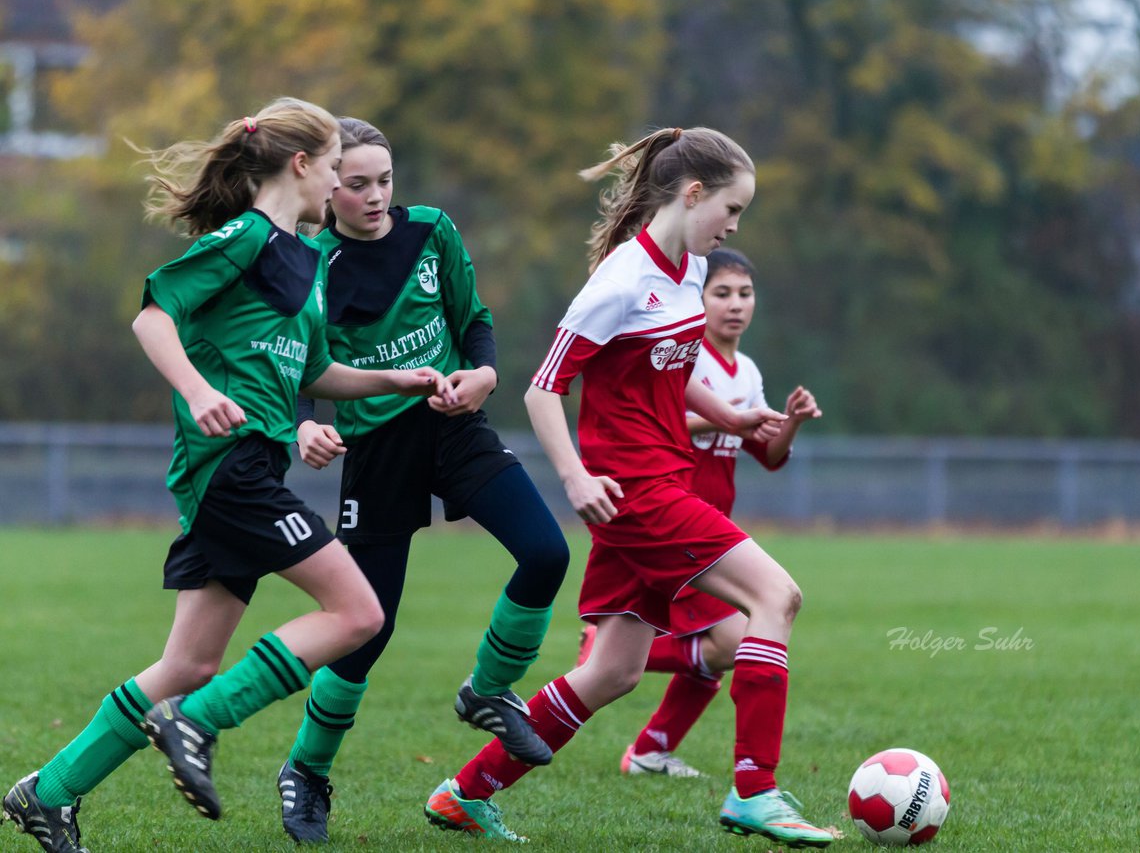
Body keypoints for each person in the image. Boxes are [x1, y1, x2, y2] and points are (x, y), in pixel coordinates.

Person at [0, 98, 451, 853]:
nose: (346, 183)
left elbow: (317, 372)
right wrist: (201, 391)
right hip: (230, 470)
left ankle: (46, 794)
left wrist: (398, 380)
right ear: (302, 165)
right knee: (358, 615)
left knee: (189, 662)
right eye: (338, 167)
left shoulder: (303, 258)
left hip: (246, 468)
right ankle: (199, 721)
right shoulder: (245, 237)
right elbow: (154, 314)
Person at [422, 127, 834, 848]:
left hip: (658, 481)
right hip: (638, 491)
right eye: (731, 210)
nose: (735, 227)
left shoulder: (682, 275)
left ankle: (465, 792)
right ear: (693, 192)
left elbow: (663, 377)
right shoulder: (620, 281)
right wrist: (575, 477)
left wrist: (728, 413)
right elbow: (544, 389)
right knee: (778, 597)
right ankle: (755, 790)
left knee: (613, 670)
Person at [275, 118, 570, 843]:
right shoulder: (309, 262)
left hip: (453, 429)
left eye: (386, 181)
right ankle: (305, 774)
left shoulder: (433, 231)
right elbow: (294, 360)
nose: (377, 197)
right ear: (326, 186)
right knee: (365, 632)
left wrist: (486, 375)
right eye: (358, 184)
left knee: (547, 553)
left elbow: (475, 323)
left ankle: (489, 690)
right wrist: (306, 424)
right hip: (376, 452)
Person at [577, 246, 822, 780]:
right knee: (735, 640)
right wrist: (721, 420)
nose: (735, 305)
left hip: (711, 530)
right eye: (722, 293)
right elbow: (659, 425)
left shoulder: (747, 370)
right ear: (697, 299)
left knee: (725, 648)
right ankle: (601, 657)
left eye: (745, 293)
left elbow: (769, 455)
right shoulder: (681, 357)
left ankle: (649, 750)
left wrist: (793, 423)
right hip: (669, 521)